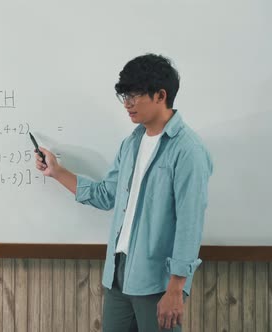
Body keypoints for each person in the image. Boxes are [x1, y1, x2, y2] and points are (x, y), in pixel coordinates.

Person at [35, 54, 212, 331]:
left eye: (135, 95)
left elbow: (190, 225)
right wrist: (57, 172)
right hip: (119, 275)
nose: (127, 103)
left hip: (158, 280)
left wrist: (176, 288)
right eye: (124, 95)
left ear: (160, 95)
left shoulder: (187, 151)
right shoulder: (131, 144)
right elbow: (107, 194)